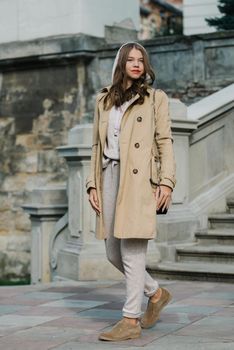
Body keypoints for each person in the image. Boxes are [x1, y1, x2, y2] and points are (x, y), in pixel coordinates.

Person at [86, 42, 176, 341]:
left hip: (139, 179)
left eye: (141, 60)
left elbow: (165, 141)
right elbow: (96, 146)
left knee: (132, 250)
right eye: (131, 59)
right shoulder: (103, 100)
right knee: (113, 251)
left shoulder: (154, 99)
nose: (137, 64)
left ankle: (130, 320)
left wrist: (166, 181)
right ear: (121, 63)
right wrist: (91, 183)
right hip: (109, 174)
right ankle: (156, 293)